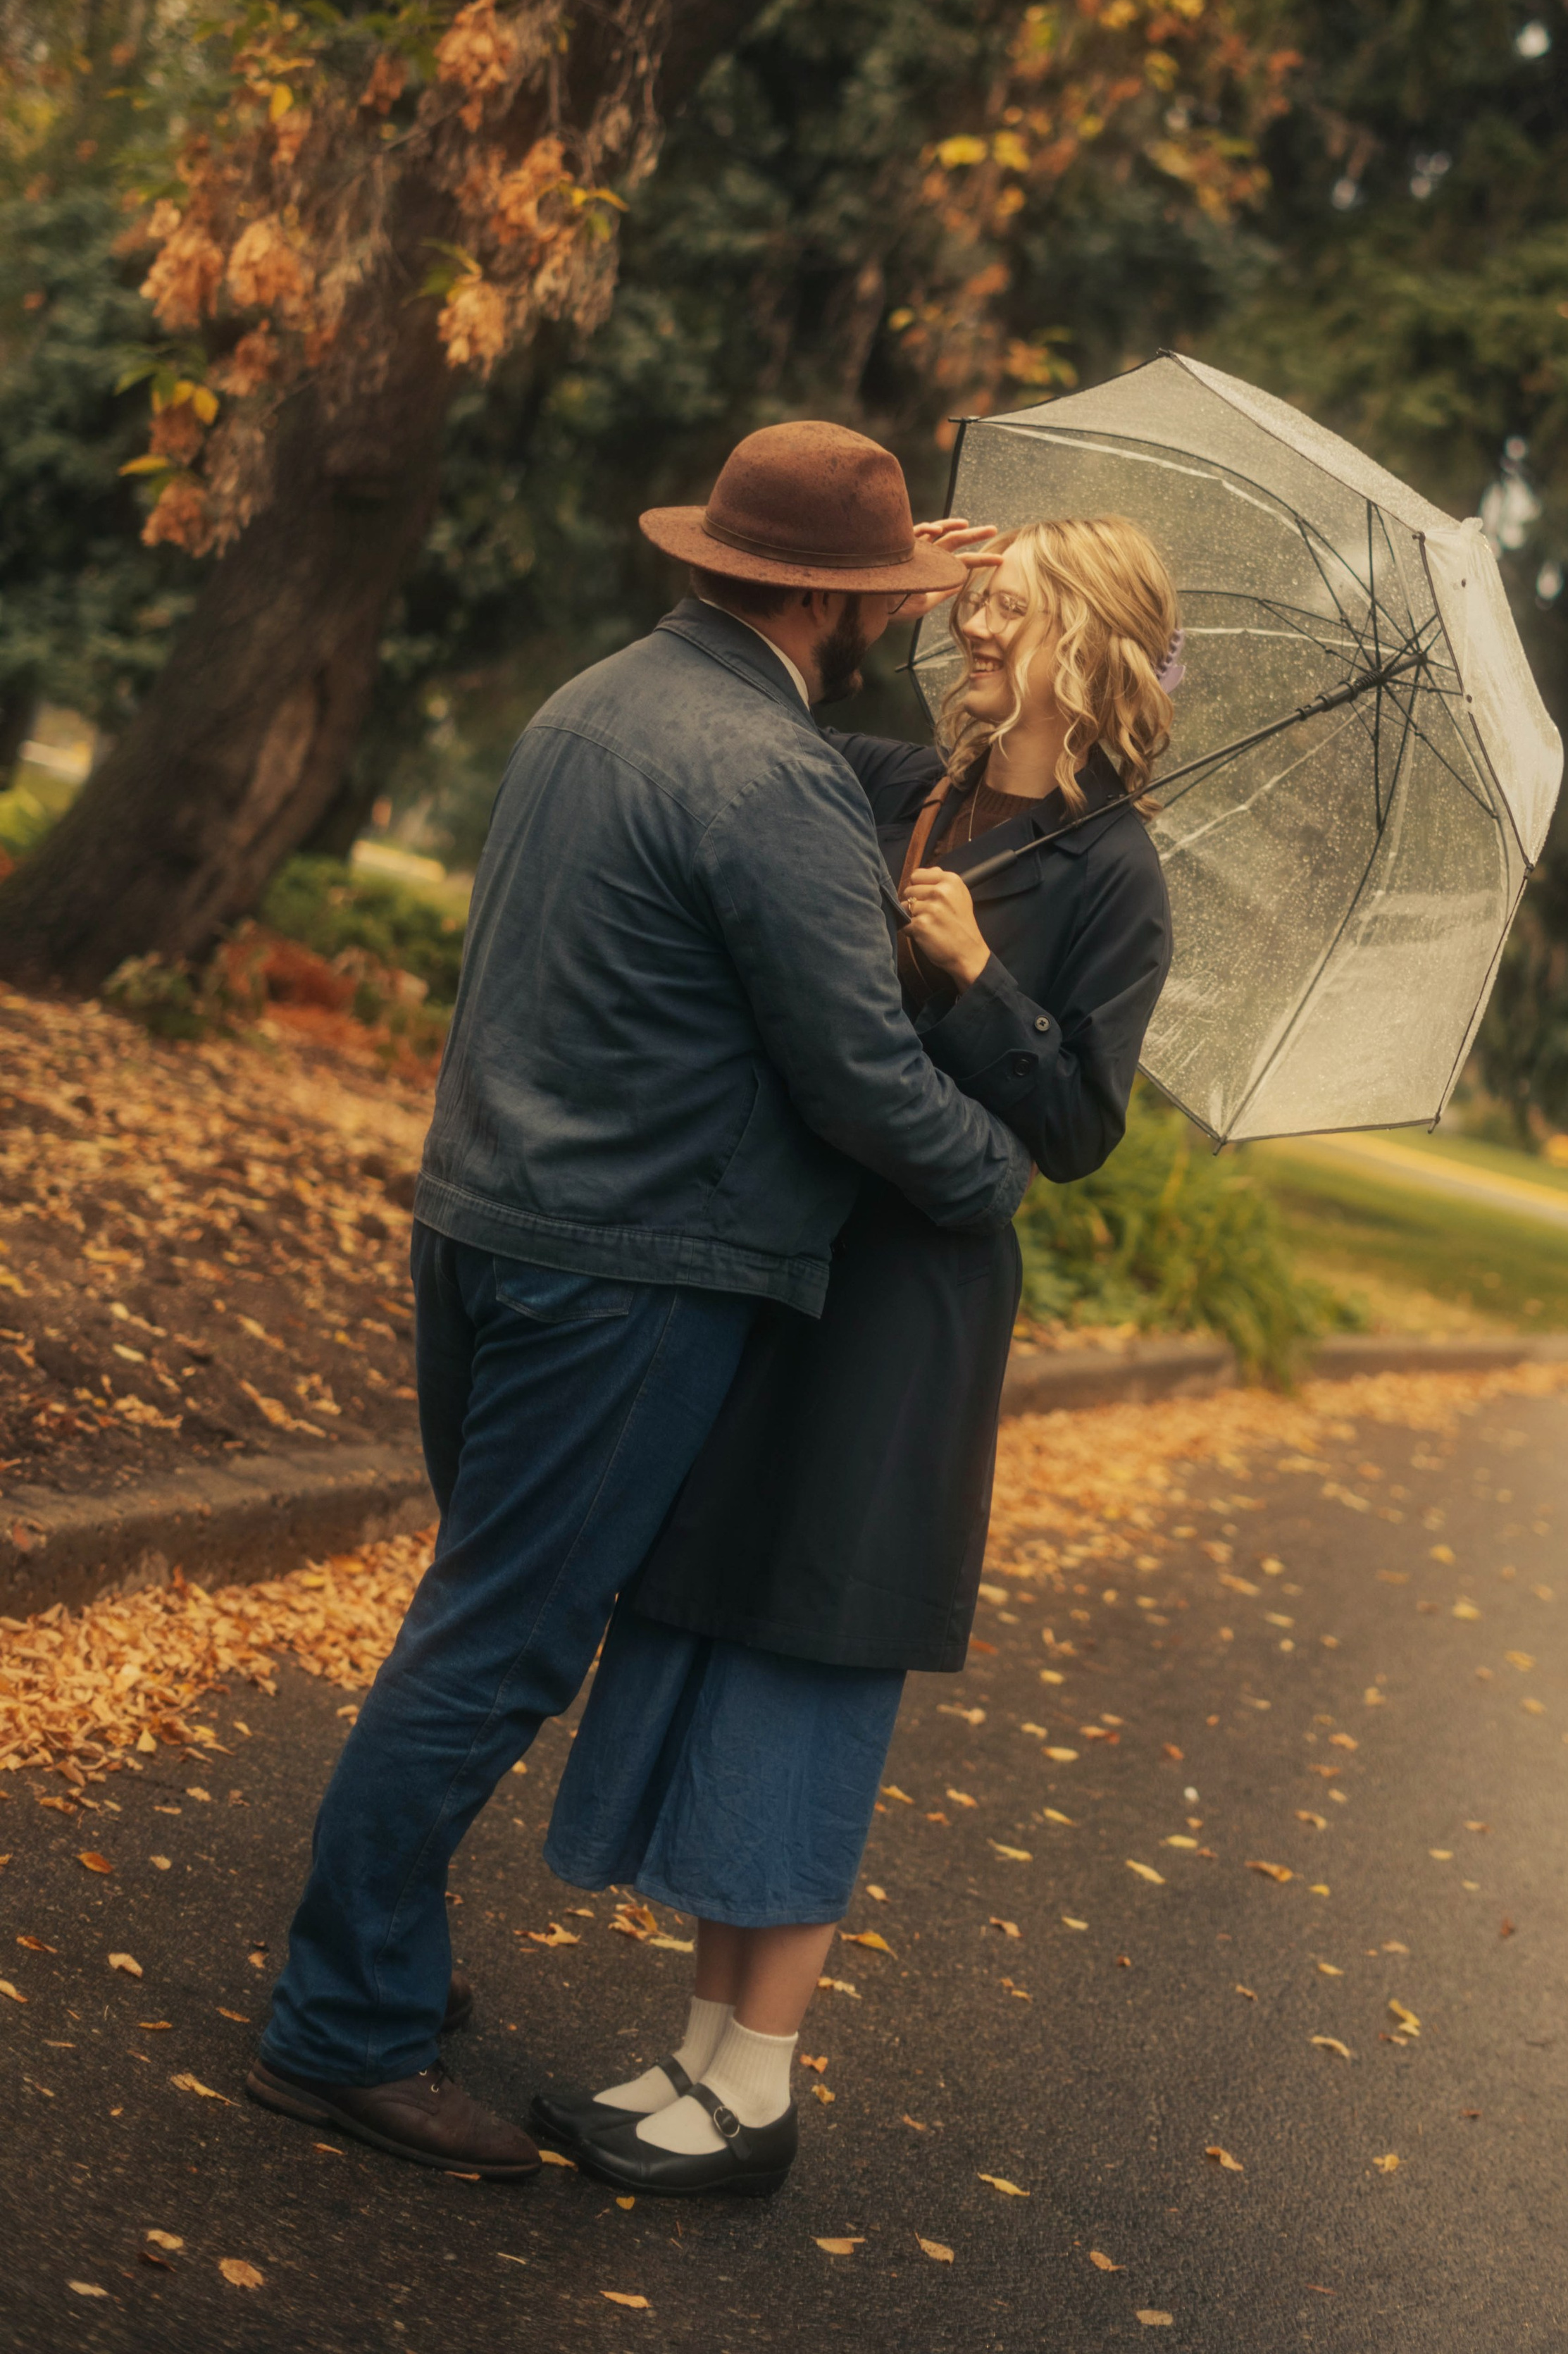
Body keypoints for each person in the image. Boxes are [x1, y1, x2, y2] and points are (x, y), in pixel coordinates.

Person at [246, 422, 1033, 2179]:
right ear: (839, 601)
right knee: (495, 1647)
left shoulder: (596, 703)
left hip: (485, 1224)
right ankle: (341, 2027)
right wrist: (997, 1174)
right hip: (625, 1274)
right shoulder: (764, 778)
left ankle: (371, 1962)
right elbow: (855, 1075)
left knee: (475, 1613)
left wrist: (910, 609)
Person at [530, 515, 1180, 2198]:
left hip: (911, 1322)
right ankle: (692, 2052)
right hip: (788, 1264)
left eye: (1008, 608)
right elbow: (753, 721)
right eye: (968, 601)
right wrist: (882, 559)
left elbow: (1077, 1128)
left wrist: (972, 978)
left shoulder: (1117, 876)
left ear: (1088, 641)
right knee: (727, 1615)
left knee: (809, 1660)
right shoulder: (902, 784)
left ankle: (758, 2091)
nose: (974, 628)